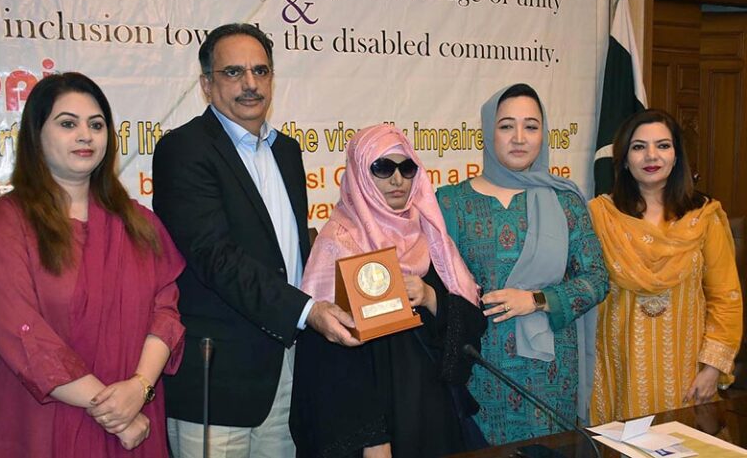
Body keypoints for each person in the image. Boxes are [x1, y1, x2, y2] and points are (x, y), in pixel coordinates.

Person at [152, 22, 358, 458]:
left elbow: (291, 255)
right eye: (233, 73)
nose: (250, 84)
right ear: (207, 84)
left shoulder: (288, 151)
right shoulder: (184, 150)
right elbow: (215, 257)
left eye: (261, 72)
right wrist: (307, 310)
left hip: (286, 367)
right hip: (218, 378)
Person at [0, 72, 185, 458]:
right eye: (68, 124)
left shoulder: (139, 223)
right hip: (48, 421)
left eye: (96, 124)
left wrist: (139, 388)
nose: (85, 135)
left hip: (135, 416)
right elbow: (23, 333)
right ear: (37, 135)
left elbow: (166, 312)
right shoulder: (7, 223)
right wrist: (116, 413)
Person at [290, 124, 486, 458]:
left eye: (406, 168)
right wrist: (373, 438)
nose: (398, 180)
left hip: (431, 414)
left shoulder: (432, 237)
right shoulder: (339, 242)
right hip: (370, 422)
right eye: (382, 168)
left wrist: (431, 298)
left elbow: (471, 324)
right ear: (359, 175)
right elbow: (326, 354)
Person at [437, 83, 608, 445]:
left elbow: (597, 278)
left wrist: (537, 300)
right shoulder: (451, 203)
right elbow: (438, 287)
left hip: (550, 378)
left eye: (531, 126)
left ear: (543, 134)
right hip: (479, 369)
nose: (519, 137)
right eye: (506, 126)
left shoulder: (566, 202)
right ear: (487, 131)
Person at [589, 109, 743, 424]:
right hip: (618, 372)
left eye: (662, 145)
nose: (651, 155)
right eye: (638, 146)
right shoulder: (600, 216)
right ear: (624, 159)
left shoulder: (703, 217)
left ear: (676, 156)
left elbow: (725, 296)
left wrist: (712, 368)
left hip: (686, 374)